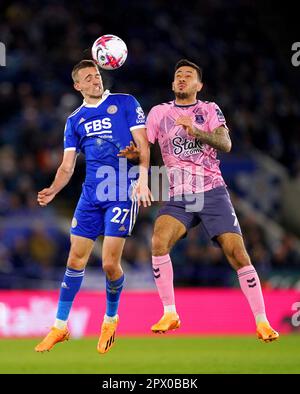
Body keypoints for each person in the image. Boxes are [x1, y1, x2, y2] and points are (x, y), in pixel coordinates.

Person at [127, 59, 279, 342]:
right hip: (179, 194)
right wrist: (134, 153)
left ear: (199, 85)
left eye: (188, 75)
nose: (182, 79)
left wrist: (197, 132)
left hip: (211, 190)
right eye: (178, 76)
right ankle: (170, 312)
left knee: (237, 253)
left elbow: (226, 143)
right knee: (158, 240)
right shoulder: (159, 112)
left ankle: (262, 321)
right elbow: (144, 146)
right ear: (173, 84)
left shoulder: (208, 109)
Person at [35, 59, 152, 354]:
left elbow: (144, 145)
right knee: (75, 260)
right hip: (91, 195)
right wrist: (53, 189)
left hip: (122, 189)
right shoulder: (75, 120)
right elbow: (67, 166)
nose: (95, 80)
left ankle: (110, 319)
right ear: (77, 86)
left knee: (110, 264)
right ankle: (60, 327)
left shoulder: (126, 103)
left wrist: (144, 178)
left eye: (96, 75)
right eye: (87, 78)